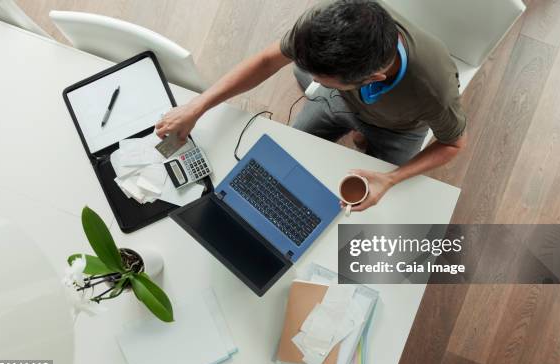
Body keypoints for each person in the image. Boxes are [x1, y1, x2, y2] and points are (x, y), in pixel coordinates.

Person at [156, 0, 466, 212]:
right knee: (287, 158)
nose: (312, 80)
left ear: (373, 78)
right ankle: (353, 127)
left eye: (325, 79)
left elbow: (452, 145)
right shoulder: (325, 21)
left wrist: (390, 179)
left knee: (371, 203)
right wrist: (197, 107)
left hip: (398, 129)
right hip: (344, 102)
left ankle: (368, 143)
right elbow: (267, 59)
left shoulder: (434, 91)